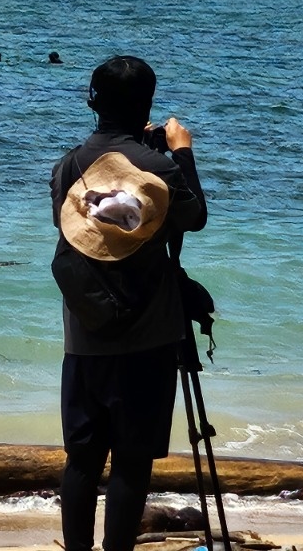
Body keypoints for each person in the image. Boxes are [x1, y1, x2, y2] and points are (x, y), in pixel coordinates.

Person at [49, 55, 207, 551]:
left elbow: (71, 227)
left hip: (85, 333)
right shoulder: (159, 165)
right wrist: (181, 153)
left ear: (92, 102)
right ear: (148, 105)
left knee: (82, 461)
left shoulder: (68, 166)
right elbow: (194, 217)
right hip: (149, 335)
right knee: (132, 461)